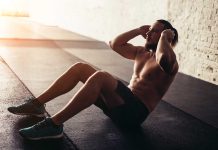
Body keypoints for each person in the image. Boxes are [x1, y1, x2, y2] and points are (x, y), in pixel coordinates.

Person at [8, 19, 179, 140]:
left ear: (167, 35)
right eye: (150, 29)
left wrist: (164, 37)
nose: (149, 33)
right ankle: (37, 104)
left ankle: (54, 124)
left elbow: (164, 60)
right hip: (118, 106)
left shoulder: (169, 60)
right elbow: (114, 43)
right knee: (80, 68)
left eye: (154, 30)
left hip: (134, 114)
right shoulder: (141, 53)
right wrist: (137, 31)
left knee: (101, 77)